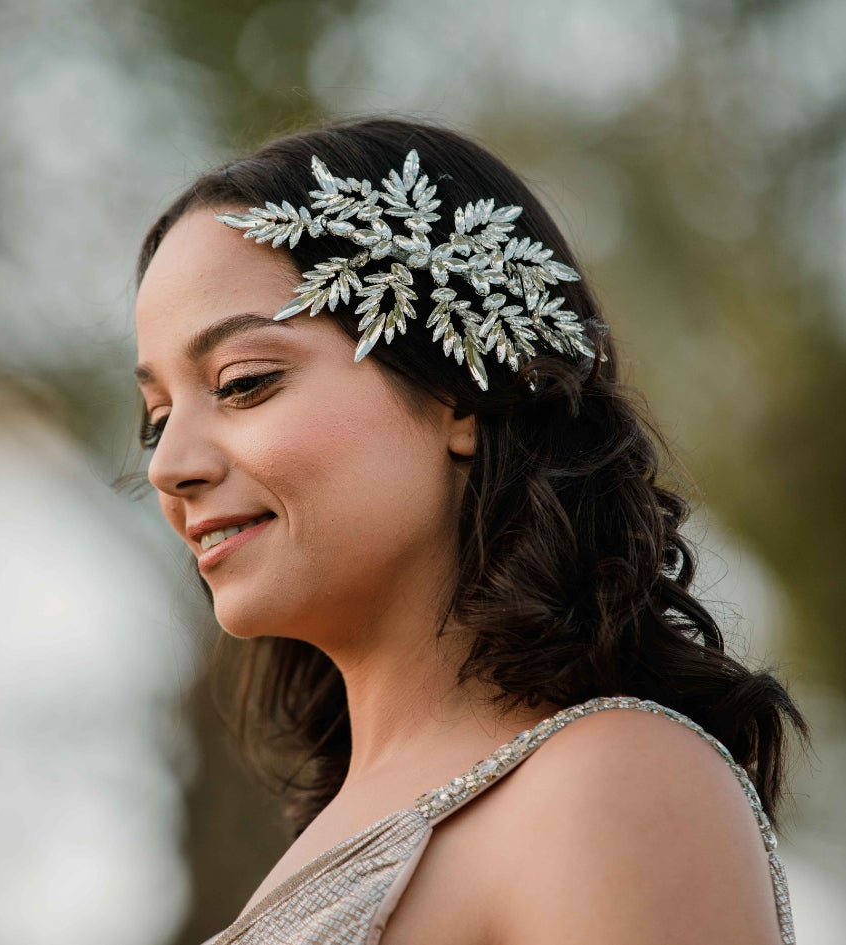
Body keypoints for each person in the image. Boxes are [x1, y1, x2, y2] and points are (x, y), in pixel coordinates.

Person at [132, 116, 808, 945]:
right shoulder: (328, 834)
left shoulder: (610, 783)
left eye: (243, 382)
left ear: (458, 392)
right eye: (156, 417)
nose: (169, 464)